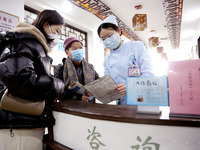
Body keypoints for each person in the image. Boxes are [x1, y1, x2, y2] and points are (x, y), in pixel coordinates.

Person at [0, 10, 64, 150]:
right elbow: (20, 79)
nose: (58, 36)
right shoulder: (25, 41)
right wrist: (57, 84)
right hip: (19, 122)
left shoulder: (35, 45)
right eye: (57, 30)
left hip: (25, 120)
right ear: (46, 25)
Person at [97, 15, 155, 105]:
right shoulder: (107, 59)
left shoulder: (136, 47)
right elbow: (108, 82)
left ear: (119, 31)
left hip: (141, 99)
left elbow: (149, 75)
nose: (107, 41)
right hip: (121, 103)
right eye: (103, 39)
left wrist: (130, 87)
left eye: (109, 35)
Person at [54, 37, 99, 102]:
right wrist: (78, 98)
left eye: (80, 48)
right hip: (70, 106)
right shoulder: (61, 68)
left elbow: (98, 84)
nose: (79, 50)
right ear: (67, 52)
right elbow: (57, 91)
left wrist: (93, 91)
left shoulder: (90, 67)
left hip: (90, 105)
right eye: (75, 48)